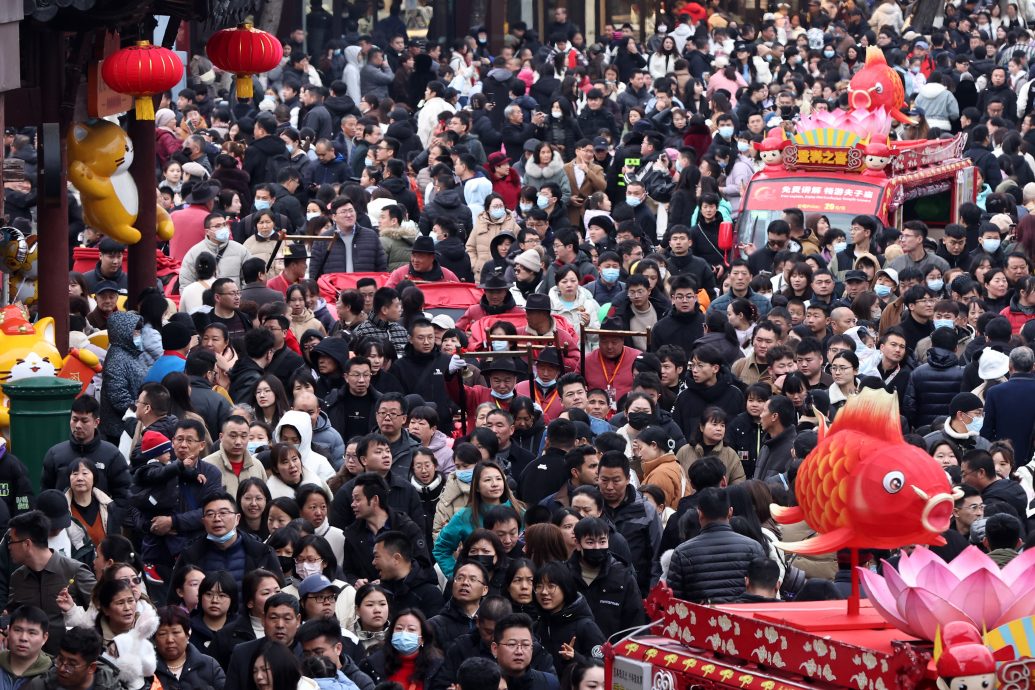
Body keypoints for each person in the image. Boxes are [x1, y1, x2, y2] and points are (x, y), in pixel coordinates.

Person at [7, 511, 96, 654]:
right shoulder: (17, 578)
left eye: (11, 541)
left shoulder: (76, 571)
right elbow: (12, 614)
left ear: (27, 544)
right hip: (30, 663)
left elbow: (100, 613)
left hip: (70, 662)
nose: (9, 546)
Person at [666, 487, 767, 603]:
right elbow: (761, 595)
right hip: (742, 619)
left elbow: (675, 602)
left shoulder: (682, 553)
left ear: (700, 513)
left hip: (700, 619)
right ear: (730, 512)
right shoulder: (754, 548)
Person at [173, 493, 281, 584]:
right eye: (210, 514)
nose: (217, 519)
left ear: (237, 518)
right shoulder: (190, 555)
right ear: (203, 521)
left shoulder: (262, 552)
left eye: (223, 513)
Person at [566, 518, 644, 639]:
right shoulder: (564, 575)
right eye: (590, 542)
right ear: (578, 544)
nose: (597, 547)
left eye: (602, 542)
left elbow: (635, 622)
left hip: (612, 650)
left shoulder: (623, 576)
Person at [597, 451, 660, 594]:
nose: (609, 487)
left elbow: (657, 555)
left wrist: (652, 594)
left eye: (616, 480)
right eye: (604, 480)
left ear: (627, 479)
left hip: (636, 590)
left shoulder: (645, 510)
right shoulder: (589, 507)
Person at [372, 531, 444, 619]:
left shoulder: (430, 594)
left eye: (376, 557)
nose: (373, 562)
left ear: (396, 559)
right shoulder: (379, 591)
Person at [153, 605, 226, 690]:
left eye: (176, 632)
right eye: (162, 634)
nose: (170, 640)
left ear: (187, 634)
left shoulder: (209, 665)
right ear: (154, 638)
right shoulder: (146, 669)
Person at [28, 626, 123, 690]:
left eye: (71, 665)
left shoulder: (112, 686)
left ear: (91, 668)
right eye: (60, 660)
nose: (61, 669)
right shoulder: (40, 685)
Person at [492, 613, 559, 690]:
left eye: (525, 644)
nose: (519, 651)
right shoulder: (483, 682)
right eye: (512, 644)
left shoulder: (549, 683)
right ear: (495, 649)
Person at [0, 605, 52, 687]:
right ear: (9, 632)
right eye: (17, 630)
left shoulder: (53, 676)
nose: (23, 638)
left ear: (44, 638)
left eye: (32, 633)